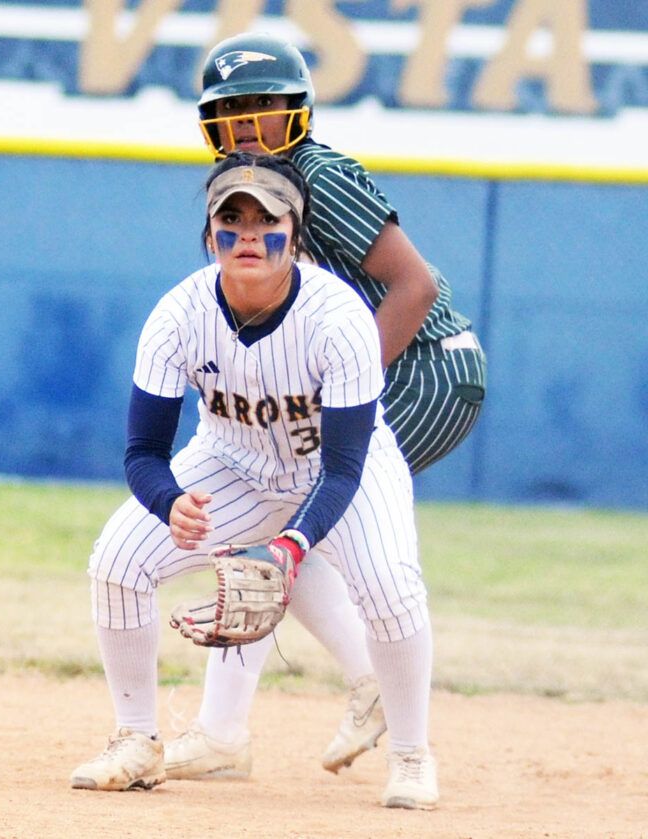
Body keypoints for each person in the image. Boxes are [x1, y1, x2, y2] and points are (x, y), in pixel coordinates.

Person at [163, 32, 486, 797]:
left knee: (293, 498)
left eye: (263, 110)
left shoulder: (318, 175)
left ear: (298, 113)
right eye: (230, 113)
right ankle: (240, 724)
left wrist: (334, 391)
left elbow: (414, 288)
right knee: (281, 511)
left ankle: (303, 705)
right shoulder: (234, 181)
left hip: (429, 366)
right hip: (389, 363)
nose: (247, 128)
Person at [70, 151, 438, 809]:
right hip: (232, 462)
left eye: (267, 218)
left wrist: (290, 546)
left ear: (295, 235)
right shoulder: (178, 316)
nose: (248, 233)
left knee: (390, 584)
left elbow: (346, 466)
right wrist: (171, 500)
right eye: (230, 218)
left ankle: (412, 754)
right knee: (118, 560)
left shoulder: (338, 317)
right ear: (209, 235)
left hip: (341, 468)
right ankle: (135, 739)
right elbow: (143, 453)